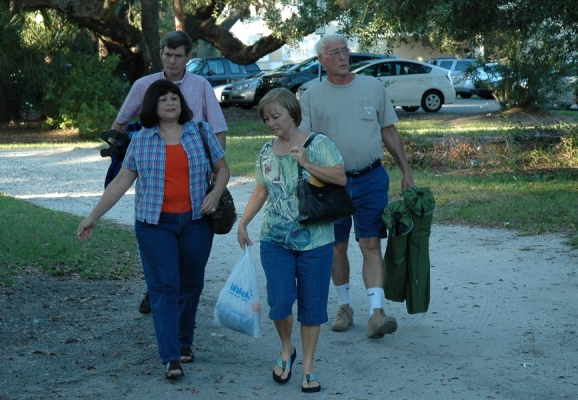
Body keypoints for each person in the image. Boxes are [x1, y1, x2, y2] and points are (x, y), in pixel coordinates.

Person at [77, 79, 229, 379]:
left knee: (191, 285)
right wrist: (92, 216)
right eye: (163, 100)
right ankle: (171, 356)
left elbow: (223, 169)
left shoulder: (200, 132)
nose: (170, 103)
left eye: (174, 98)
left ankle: (185, 343)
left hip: (197, 223)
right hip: (154, 225)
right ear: (153, 107)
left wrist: (214, 193)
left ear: (181, 103)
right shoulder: (142, 140)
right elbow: (121, 182)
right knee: (164, 287)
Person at [299, 33, 415, 339]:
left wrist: (406, 170)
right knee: (336, 247)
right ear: (322, 60)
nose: (342, 56)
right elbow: (302, 141)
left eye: (345, 51)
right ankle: (345, 306)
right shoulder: (311, 96)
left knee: (371, 243)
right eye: (334, 53)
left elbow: (388, 131)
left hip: (371, 179)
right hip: (329, 184)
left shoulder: (372, 87)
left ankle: (377, 313)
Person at [112, 30, 228, 323]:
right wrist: (119, 152)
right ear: (160, 54)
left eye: (179, 55)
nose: (173, 60)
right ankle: (155, 285)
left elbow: (218, 129)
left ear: (188, 57)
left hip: (192, 172)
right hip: (154, 174)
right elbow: (121, 123)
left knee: (190, 238)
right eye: (168, 54)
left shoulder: (200, 86)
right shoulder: (144, 85)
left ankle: (177, 300)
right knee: (152, 230)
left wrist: (214, 171)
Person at [237, 88, 346, 393]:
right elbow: (261, 190)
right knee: (280, 302)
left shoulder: (318, 143)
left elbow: (340, 177)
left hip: (316, 239)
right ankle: (287, 349)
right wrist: (244, 222)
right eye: (266, 117)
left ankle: (308, 366)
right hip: (275, 239)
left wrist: (308, 163)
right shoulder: (266, 151)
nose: (271, 122)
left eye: (276, 115)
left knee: (312, 306)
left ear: (292, 113)